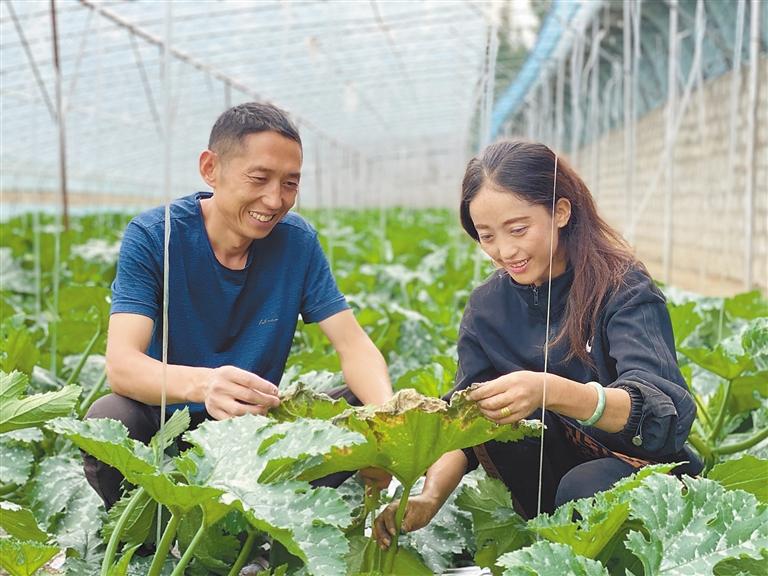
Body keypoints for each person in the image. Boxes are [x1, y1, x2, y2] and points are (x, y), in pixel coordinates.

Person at [373, 140, 699, 547]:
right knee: (503, 421)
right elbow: (464, 420)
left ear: (560, 211)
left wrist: (551, 390)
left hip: (647, 473)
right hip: (552, 489)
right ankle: (547, 549)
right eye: (486, 236)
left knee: (585, 485)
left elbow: (662, 413)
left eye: (518, 229)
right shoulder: (486, 308)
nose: (504, 251)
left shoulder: (621, 286)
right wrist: (430, 497)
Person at [84, 102, 392, 510]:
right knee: (110, 417)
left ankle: (270, 532)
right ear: (210, 168)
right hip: (164, 425)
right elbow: (122, 365)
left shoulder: (297, 242)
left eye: (290, 184)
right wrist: (205, 385)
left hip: (253, 429)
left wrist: (387, 424)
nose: (275, 199)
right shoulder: (156, 235)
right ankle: (146, 538)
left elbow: (354, 346)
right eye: (259, 178)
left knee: (362, 403)